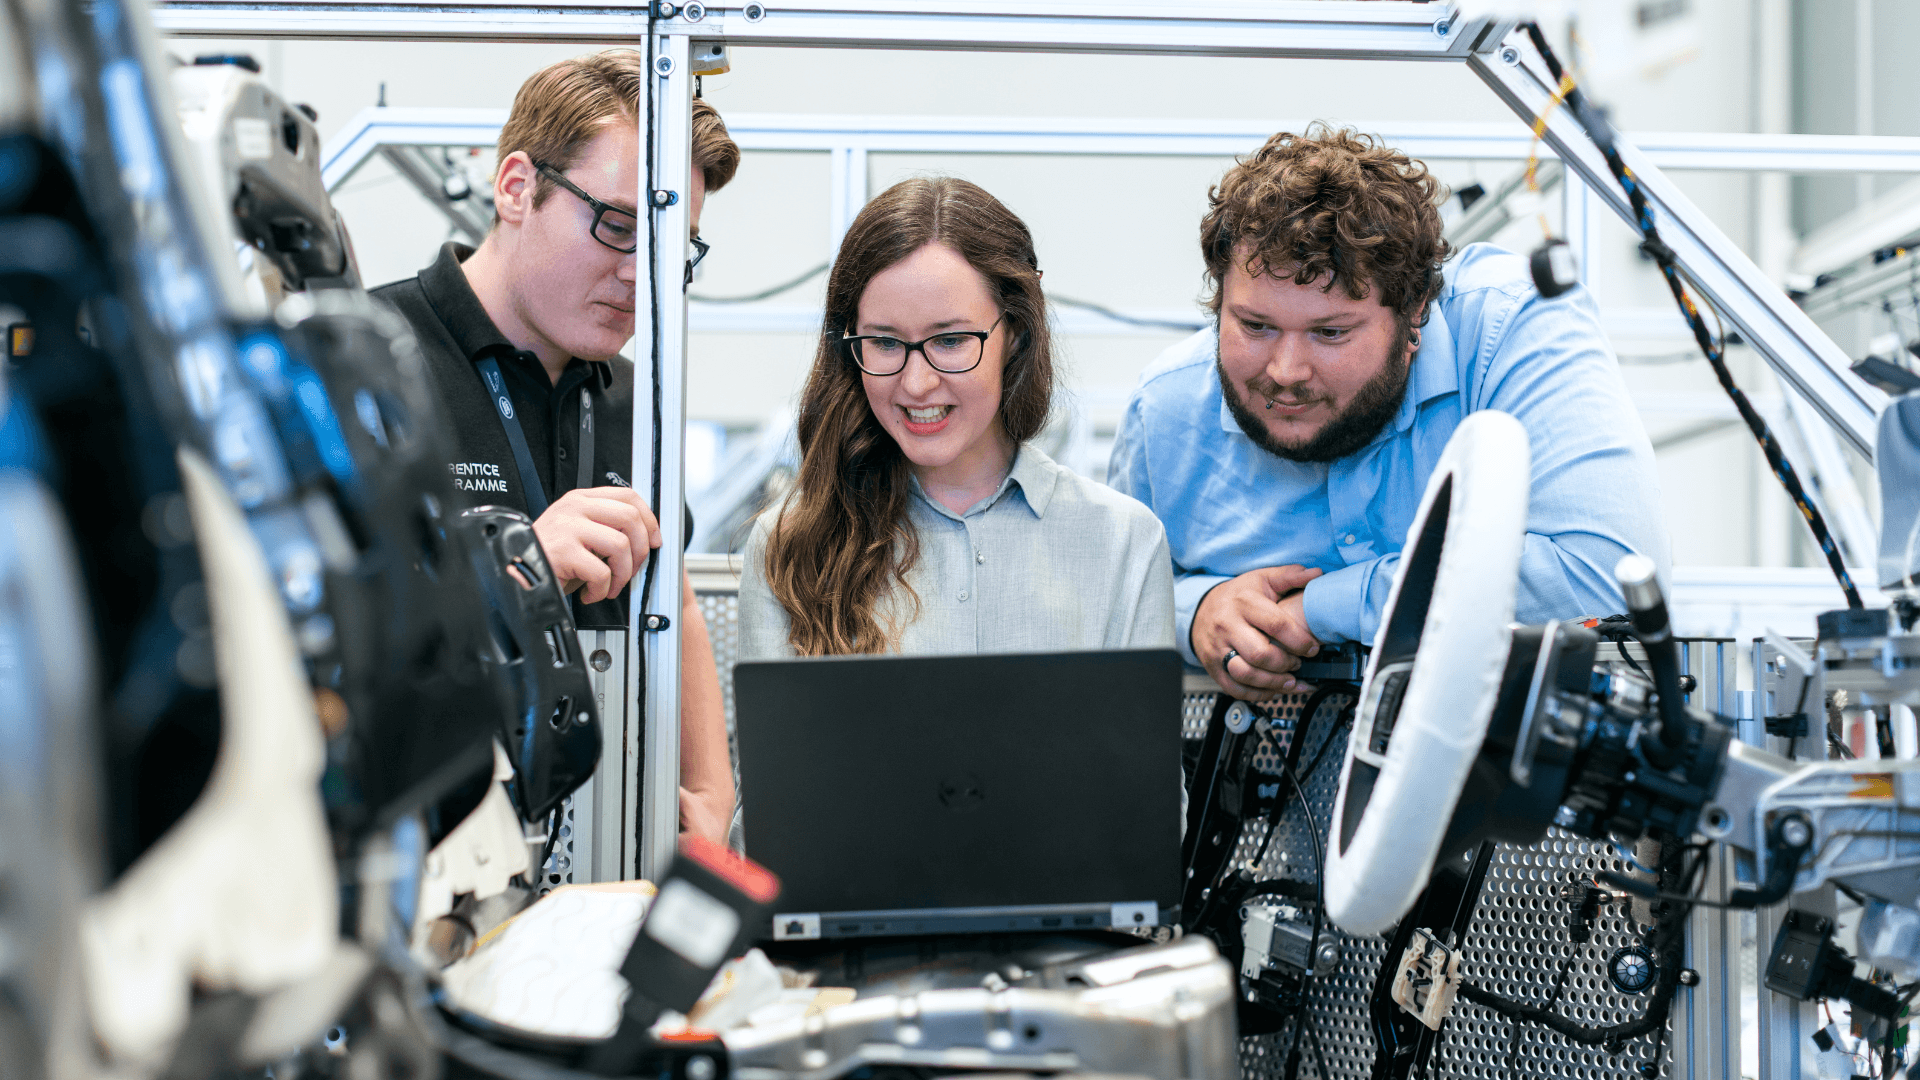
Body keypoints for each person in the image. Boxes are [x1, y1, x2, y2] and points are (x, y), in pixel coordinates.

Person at [1109, 126, 1669, 702]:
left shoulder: (1511, 329)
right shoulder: (1166, 411)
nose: (1285, 370)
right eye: (1255, 326)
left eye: (1330, 332)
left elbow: (1605, 572)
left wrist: (1319, 609)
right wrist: (1197, 612)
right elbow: (1112, 600)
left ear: (1415, 311)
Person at [371, 51, 737, 841]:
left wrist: (709, 793)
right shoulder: (366, 364)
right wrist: (518, 568)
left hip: (599, 844)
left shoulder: (638, 400)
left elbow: (669, 596)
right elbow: (313, 633)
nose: (641, 275)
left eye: (674, 247)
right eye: (617, 225)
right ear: (516, 188)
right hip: (420, 837)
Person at [738, 177, 1173, 659]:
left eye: (949, 341)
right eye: (884, 343)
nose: (917, 383)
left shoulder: (1124, 543)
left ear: (1017, 332)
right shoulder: (788, 548)